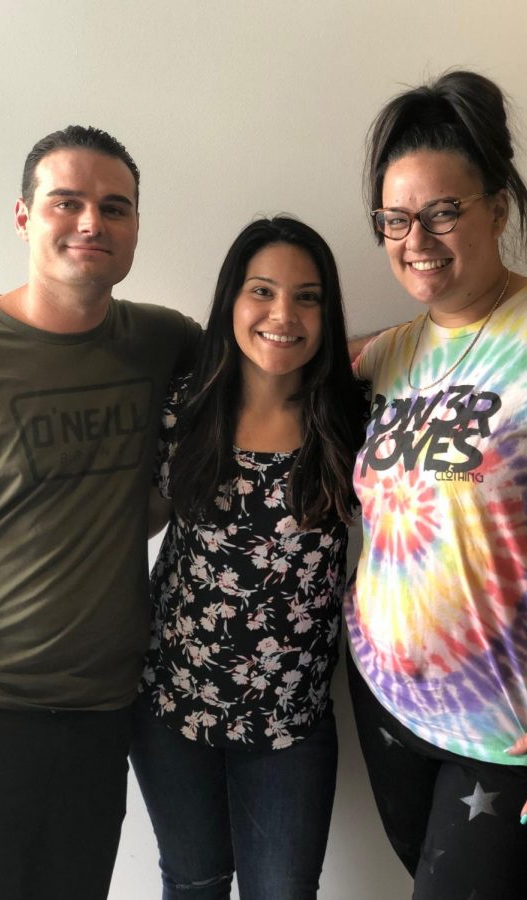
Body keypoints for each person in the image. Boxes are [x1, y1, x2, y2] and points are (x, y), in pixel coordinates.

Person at [0, 125, 200, 900]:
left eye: (115, 208)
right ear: (23, 215)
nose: (92, 223)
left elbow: (277, 354)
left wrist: (409, 342)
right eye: (67, 202)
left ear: (136, 227)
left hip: (100, 712)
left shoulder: (160, 340)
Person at [346, 70, 527, 899]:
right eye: (394, 219)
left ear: (497, 204)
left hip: (523, 740)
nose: (414, 239)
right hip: (389, 712)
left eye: (442, 211)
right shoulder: (384, 355)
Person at [130, 216, 366, 900]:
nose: (282, 315)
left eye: (308, 297)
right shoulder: (186, 409)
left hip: (291, 724)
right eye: (261, 291)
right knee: (194, 882)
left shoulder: (354, 420)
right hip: (173, 704)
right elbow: (132, 520)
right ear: (231, 300)